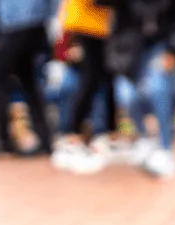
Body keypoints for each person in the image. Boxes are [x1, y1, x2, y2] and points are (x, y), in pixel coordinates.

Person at [104, 0, 175, 178]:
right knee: (127, 96)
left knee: (159, 88)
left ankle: (165, 149)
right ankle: (145, 140)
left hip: (165, 44)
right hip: (130, 47)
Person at [0, 0, 56, 159]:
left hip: (16, 23)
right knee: (28, 80)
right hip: (36, 24)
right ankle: (45, 140)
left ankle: (3, 139)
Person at [51, 0, 121, 174]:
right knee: (93, 78)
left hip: (96, 22)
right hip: (88, 20)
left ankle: (108, 133)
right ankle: (72, 134)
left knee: (105, 76)